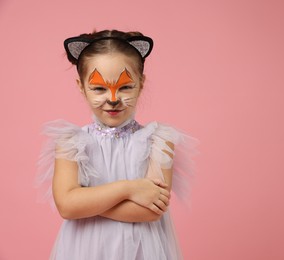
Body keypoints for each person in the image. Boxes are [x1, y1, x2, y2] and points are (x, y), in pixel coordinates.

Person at [36, 29, 196, 260]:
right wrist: (129, 188)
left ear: (141, 84)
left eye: (125, 87)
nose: (112, 98)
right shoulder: (71, 143)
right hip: (85, 250)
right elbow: (67, 206)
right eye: (99, 88)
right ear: (81, 86)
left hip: (142, 250)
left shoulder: (159, 141)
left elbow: (150, 211)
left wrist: (87, 202)